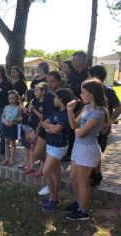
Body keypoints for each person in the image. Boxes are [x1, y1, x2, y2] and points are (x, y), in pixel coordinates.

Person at [66, 78, 108, 221]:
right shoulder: (86, 108)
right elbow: (73, 127)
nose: (80, 95)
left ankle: (84, 211)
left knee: (82, 180)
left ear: (92, 94)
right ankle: (79, 203)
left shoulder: (99, 112)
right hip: (78, 147)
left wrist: (78, 130)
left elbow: (80, 132)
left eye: (83, 92)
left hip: (88, 149)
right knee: (73, 178)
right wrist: (70, 111)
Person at [40, 88, 74, 213]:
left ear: (61, 100)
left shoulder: (66, 114)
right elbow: (44, 123)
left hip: (58, 147)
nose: (53, 99)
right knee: (54, 172)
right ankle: (55, 198)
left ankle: (53, 198)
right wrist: (52, 127)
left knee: (46, 171)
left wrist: (52, 128)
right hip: (50, 144)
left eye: (55, 97)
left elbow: (54, 130)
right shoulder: (56, 111)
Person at [89, 65, 121, 187]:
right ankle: (91, 172)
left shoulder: (107, 90)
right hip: (90, 125)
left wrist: (109, 122)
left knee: (96, 151)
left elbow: (118, 107)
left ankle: (97, 175)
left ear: (94, 76)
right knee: (91, 150)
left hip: (102, 128)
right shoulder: (92, 90)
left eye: (90, 76)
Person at [32, 71, 63, 196]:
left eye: (53, 81)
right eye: (48, 81)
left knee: (55, 163)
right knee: (36, 153)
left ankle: (53, 187)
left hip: (56, 132)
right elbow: (44, 115)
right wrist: (38, 130)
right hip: (44, 129)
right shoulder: (48, 95)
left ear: (60, 81)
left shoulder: (64, 94)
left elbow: (72, 110)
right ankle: (52, 176)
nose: (50, 84)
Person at [21, 83, 47, 174]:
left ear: (43, 91)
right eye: (34, 90)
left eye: (37, 90)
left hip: (39, 128)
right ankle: (31, 165)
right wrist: (28, 112)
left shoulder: (46, 103)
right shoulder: (34, 101)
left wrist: (34, 110)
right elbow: (31, 114)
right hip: (31, 127)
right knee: (31, 146)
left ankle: (41, 168)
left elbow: (42, 117)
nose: (34, 92)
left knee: (41, 150)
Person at [1, 90, 22, 166]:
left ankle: (11, 159)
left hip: (13, 127)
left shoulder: (18, 108)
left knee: (12, 143)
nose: (11, 100)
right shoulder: (6, 107)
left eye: (13, 98)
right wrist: (5, 122)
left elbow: (20, 119)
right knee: (6, 142)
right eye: (10, 98)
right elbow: (2, 118)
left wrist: (13, 122)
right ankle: (6, 158)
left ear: (16, 99)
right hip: (5, 126)